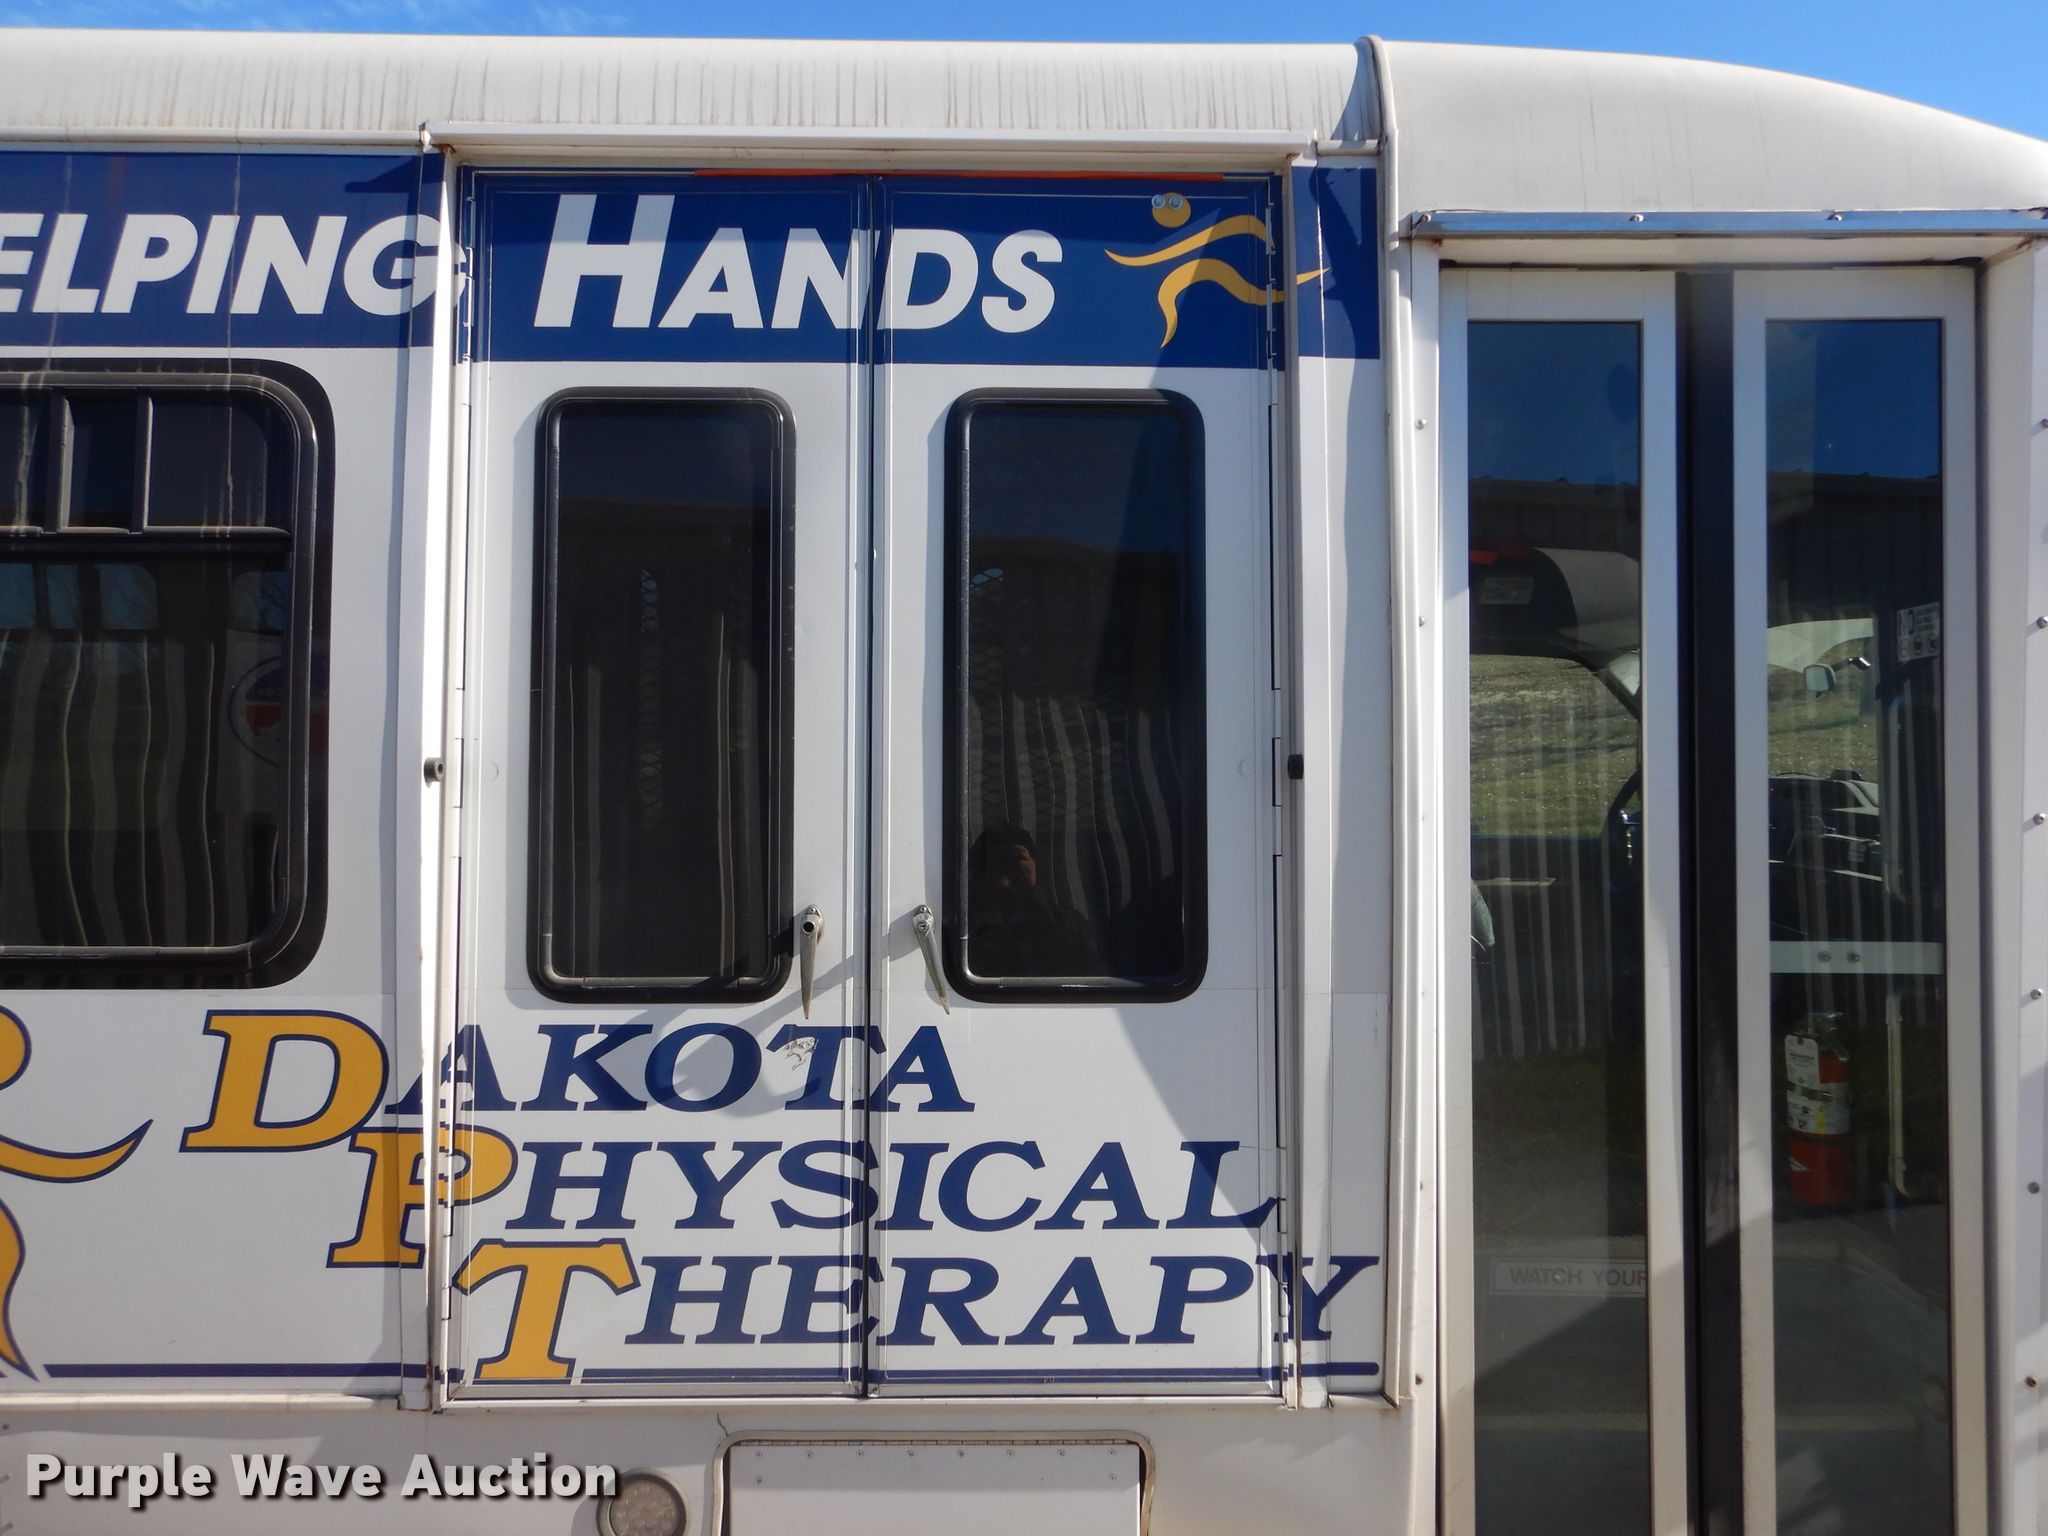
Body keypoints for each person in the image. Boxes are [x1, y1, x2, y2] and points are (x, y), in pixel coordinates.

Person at [966, 821, 1099, 979]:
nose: (1003, 872)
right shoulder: (964, 919)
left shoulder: (1062, 922)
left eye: (1012, 862)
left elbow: (1085, 959)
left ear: (1031, 865)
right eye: (994, 863)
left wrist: (1032, 892)